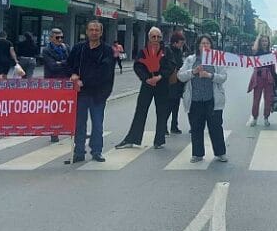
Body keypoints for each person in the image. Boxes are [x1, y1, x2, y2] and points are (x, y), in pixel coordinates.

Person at [116, 27, 176, 150]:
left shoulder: (167, 51)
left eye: (158, 37)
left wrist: (160, 76)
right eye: (153, 37)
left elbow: (171, 66)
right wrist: (146, 79)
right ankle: (132, 139)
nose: (156, 39)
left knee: (162, 113)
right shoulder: (143, 51)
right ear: (149, 38)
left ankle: (159, 141)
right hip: (147, 85)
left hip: (162, 84)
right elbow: (137, 66)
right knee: (140, 111)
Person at [68, 20, 116, 163]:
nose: (94, 32)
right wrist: (73, 74)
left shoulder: (107, 50)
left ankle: (96, 151)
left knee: (97, 124)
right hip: (80, 93)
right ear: (87, 32)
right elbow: (68, 65)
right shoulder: (78, 49)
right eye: (91, 29)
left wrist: (85, 81)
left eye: (97, 30)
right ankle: (79, 152)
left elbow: (105, 73)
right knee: (79, 123)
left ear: (101, 33)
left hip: (98, 94)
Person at [177, 34, 228, 163]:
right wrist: (193, 72)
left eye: (207, 43)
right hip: (195, 100)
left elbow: (223, 77)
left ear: (211, 46)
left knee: (215, 126)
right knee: (196, 127)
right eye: (202, 43)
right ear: (198, 46)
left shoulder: (217, 59)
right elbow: (180, 76)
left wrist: (210, 75)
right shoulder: (191, 60)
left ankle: (220, 152)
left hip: (212, 99)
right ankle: (197, 154)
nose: (205, 46)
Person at [41, 28, 72, 142]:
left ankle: (70, 128)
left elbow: (71, 62)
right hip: (52, 83)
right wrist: (64, 63)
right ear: (51, 38)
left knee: (67, 107)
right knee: (54, 109)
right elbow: (52, 66)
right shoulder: (46, 50)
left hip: (66, 82)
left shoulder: (66, 48)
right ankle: (54, 132)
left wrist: (61, 63)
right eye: (57, 37)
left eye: (61, 37)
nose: (60, 40)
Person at [248, 34, 277, 127]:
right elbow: (253, 49)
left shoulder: (270, 54)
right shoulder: (257, 52)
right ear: (260, 43)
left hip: (268, 78)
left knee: (268, 99)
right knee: (256, 98)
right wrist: (258, 37)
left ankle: (266, 118)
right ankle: (255, 118)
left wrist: (275, 80)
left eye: (266, 41)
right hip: (259, 77)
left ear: (268, 42)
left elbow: (273, 67)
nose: (264, 43)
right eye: (263, 41)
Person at [165, 32, 186, 134]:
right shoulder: (168, 51)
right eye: (180, 43)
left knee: (176, 106)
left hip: (178, 82)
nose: (181, 45)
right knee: (169, 106)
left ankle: (174, 125)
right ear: (174, 42)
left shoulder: (178, 51)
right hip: (171, 83)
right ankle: (163, 126)